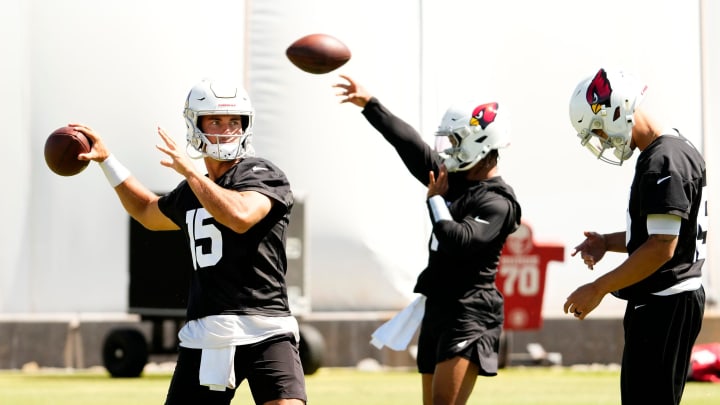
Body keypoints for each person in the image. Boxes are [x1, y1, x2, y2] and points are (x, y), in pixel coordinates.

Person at [74, 78, 307, 405]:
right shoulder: (193, 190)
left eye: (234, 121)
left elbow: (240, 216)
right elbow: (145, 211)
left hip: (265, 327)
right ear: (194, 124)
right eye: (215, 120)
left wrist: (192, 175)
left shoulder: (261, 173)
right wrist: (107, 160)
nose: (226, 130)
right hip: (207, 333)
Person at [334, 75, 522, 405]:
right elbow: (411, 146)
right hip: (439, 305)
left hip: (470, 312)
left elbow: (457, 239)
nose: (449, 147)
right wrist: (371, 105)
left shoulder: (498, 201)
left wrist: (435, 200)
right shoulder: (457, 179)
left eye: (456, 139)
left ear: (480, 141)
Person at [564, 68, 707, 405]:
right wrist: (607, 242)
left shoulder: (664, 160)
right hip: (668, 298)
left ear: (617, 108)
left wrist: (598, 287)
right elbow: (661, 232)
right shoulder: (667, 150)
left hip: (666, 300)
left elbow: (661, 247)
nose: (601, 139)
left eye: (598, 128)